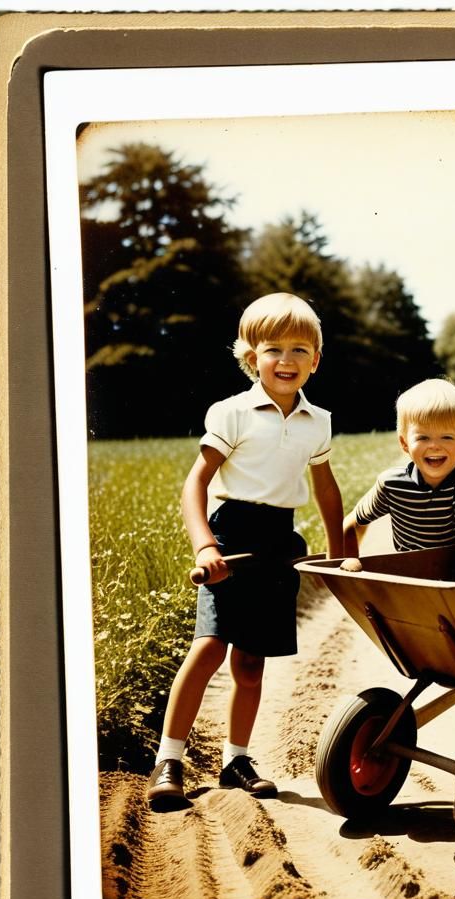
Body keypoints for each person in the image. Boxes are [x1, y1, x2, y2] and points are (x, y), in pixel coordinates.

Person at [146, 293, 344, 811]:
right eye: (273, 348)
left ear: (316, 361)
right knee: (210, 646)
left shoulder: (317, 421)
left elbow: (325, 489)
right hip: (230, 535)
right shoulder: (231, 413)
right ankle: (170, 758)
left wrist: (340, 552)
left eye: (300, 349)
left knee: (251, 661)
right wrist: (205, 544)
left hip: (279, 541)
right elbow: (196, 484)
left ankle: (237, 759)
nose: (286, 360)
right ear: (251, 357)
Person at [341, 378, 455, 583]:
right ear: (404, 443)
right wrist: (348, 568)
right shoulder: (391, 484)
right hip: (408, 583)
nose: (435, 446)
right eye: (423, 438)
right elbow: (351, 524)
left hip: (453, 582)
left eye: (447, 437)